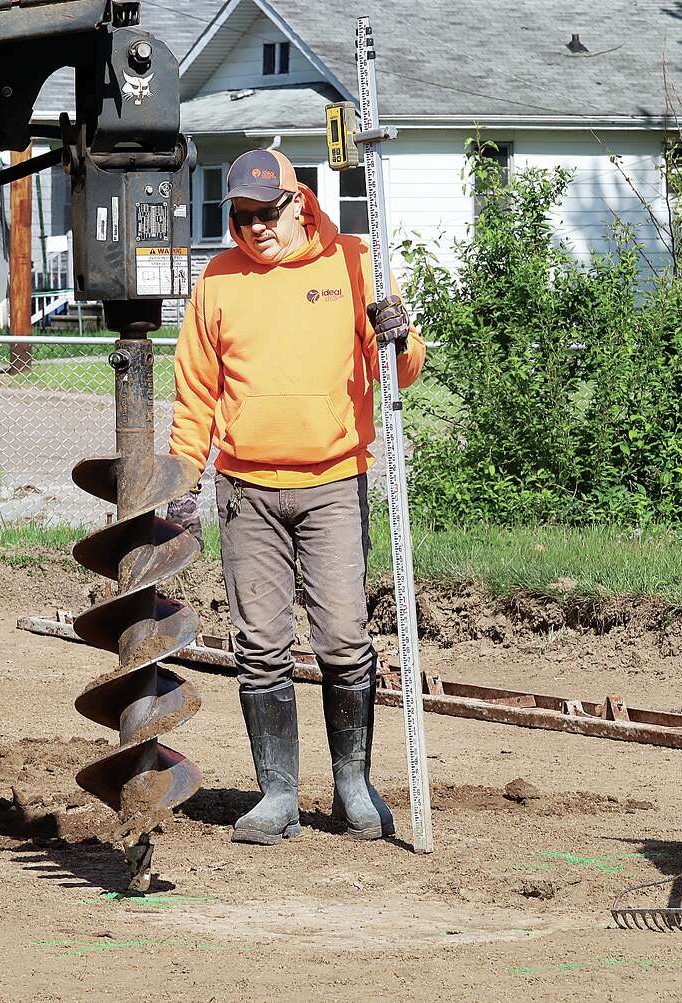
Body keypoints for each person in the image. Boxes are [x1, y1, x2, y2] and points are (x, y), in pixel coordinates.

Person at [166, 149, 425, 845]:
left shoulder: (354, 263)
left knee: (344, 637)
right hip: (246, 491)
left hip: (333, 483)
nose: (255, 229)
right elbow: (196, 392)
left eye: (266, 212)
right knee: (261, 646)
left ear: (298, 201)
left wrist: (400, 339)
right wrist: (184, 481)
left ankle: (351, 786)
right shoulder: (218, 282)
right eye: (241, 216)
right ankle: (277, 794)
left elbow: (400, 369)